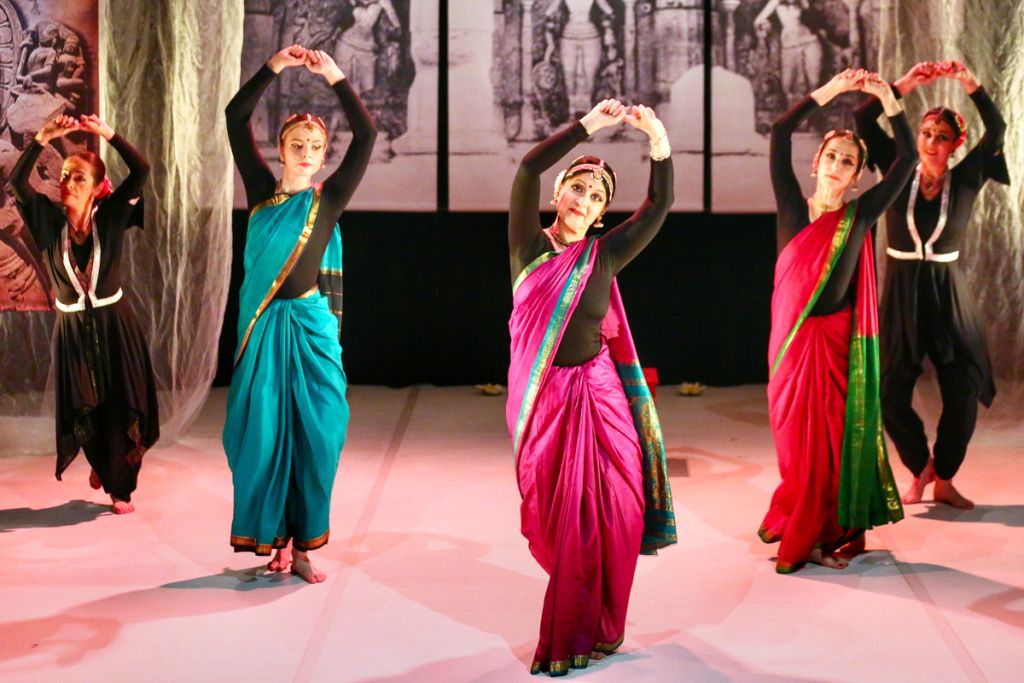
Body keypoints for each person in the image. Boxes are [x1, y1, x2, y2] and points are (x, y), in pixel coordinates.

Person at [506, 98, 676, 675]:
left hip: (603, 399)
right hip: (550, 405)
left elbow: (659, 205)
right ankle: (572, 632)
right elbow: (527, 167)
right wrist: (587, 128)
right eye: (577, 188)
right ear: (558, 195)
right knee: (571, 526)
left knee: (623, 513)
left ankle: (607, 625)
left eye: (596, 197)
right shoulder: (529, 250)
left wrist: (657, 139)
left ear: (602, 214)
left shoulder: (604, 255)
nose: (584, 201)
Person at [223, 44, 376, 583]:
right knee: (263, 438)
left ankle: (305, 546)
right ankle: (276, 543)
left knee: (319, 436)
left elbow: (367, 135)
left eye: (315, 146)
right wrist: (274, 67)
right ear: (281, 150)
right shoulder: (261, 193)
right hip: (265, 331)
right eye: (297, 145)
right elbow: (235, 117)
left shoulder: (327, 199)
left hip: (312, 330)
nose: (307, 153)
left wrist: (335, 75)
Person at [758, 69, 916, 573]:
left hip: (835, 348)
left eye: (848, 161)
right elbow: (780, 131)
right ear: (816, 163)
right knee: (795, 450)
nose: (837, 165)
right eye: (831, 156)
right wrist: (829, 92)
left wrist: (889, 98)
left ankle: (819, 537)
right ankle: (802, 522)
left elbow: (908, 159)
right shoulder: (791, 206)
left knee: (828, 449)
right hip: (790, 347)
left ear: (857, 176)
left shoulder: (860, 215)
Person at [855, 60, 1009, 510]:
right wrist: (903, 86)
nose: (930, 142)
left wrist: (970, 83)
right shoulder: (898, 167)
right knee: (888, 392)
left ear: (955, 144)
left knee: (964, 386)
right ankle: (919, 467)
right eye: (925, 133)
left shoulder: (967, 177)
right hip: (901, 290)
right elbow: (864, 119)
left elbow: (997, 130)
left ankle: (945, 476)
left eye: (941, 136)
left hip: (948, 291)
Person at [11, 113, 158, 514]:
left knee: (122, 402)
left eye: (79, 178)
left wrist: (107, 134)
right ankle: (104, 464)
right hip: (73, 328)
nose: (68, 183)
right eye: (65, 176)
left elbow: (142, 170)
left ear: (96, 188)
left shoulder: (110, 218)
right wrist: (42, 138)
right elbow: (17, 184)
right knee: (86, 404)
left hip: (115, 324)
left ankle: (119, 486)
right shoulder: (47, 222)